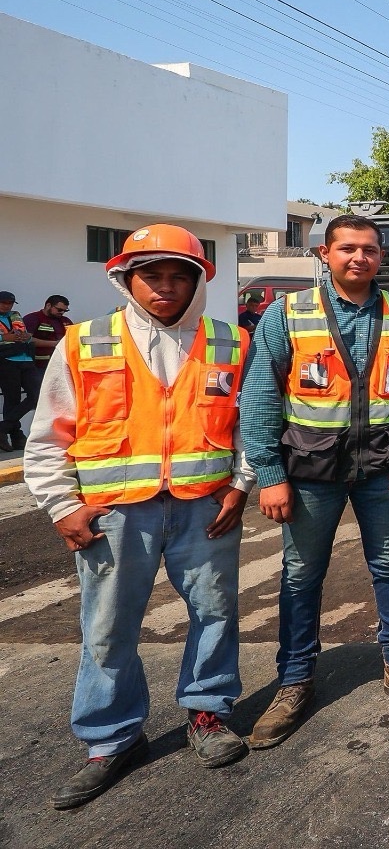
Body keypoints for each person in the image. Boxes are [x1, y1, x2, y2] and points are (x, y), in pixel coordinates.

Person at [24, 226, 252, 808]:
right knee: (107, 627)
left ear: (201, 280)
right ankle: (111, 737)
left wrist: (242, 485)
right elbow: (49, 434)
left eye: (181, 276)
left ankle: (207, 712)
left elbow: (251, 426)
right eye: (152, 276)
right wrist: (62, 505)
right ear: (127, 279)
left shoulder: (230, 341)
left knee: (216, 612)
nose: (166, 288)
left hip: (206, 506)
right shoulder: (83, 342)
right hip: (116, 515)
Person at [241, 214, 389, 749]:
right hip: (311, 472)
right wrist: (268, 474)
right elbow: (262, 398)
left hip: (385, 466)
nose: (359, 258)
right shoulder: (287, 314)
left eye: (370, 250)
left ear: (382, 257)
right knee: (301, 573)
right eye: (348, 249)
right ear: (324, 254)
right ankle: (294, 680)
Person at [0, 290, 37, 451]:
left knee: (37, 395)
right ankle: (17, 437)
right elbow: (6, 338)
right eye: (4, 302)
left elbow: (25, 333)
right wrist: (3, 338)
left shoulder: (15, 315)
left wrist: (26, 336)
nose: (7, 306)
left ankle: (3, 428)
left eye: (10, 303)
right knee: (12, 400)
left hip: (26, 358)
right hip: (6, 361)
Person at [25, 294, 71, 372]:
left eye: (65, 311)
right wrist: (55, 343)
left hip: (60, 365)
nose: (62, 312)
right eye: (59, 310)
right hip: (38, 365)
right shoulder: (32, 318)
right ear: (48, 305)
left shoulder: (65, 321)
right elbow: (26, 339)